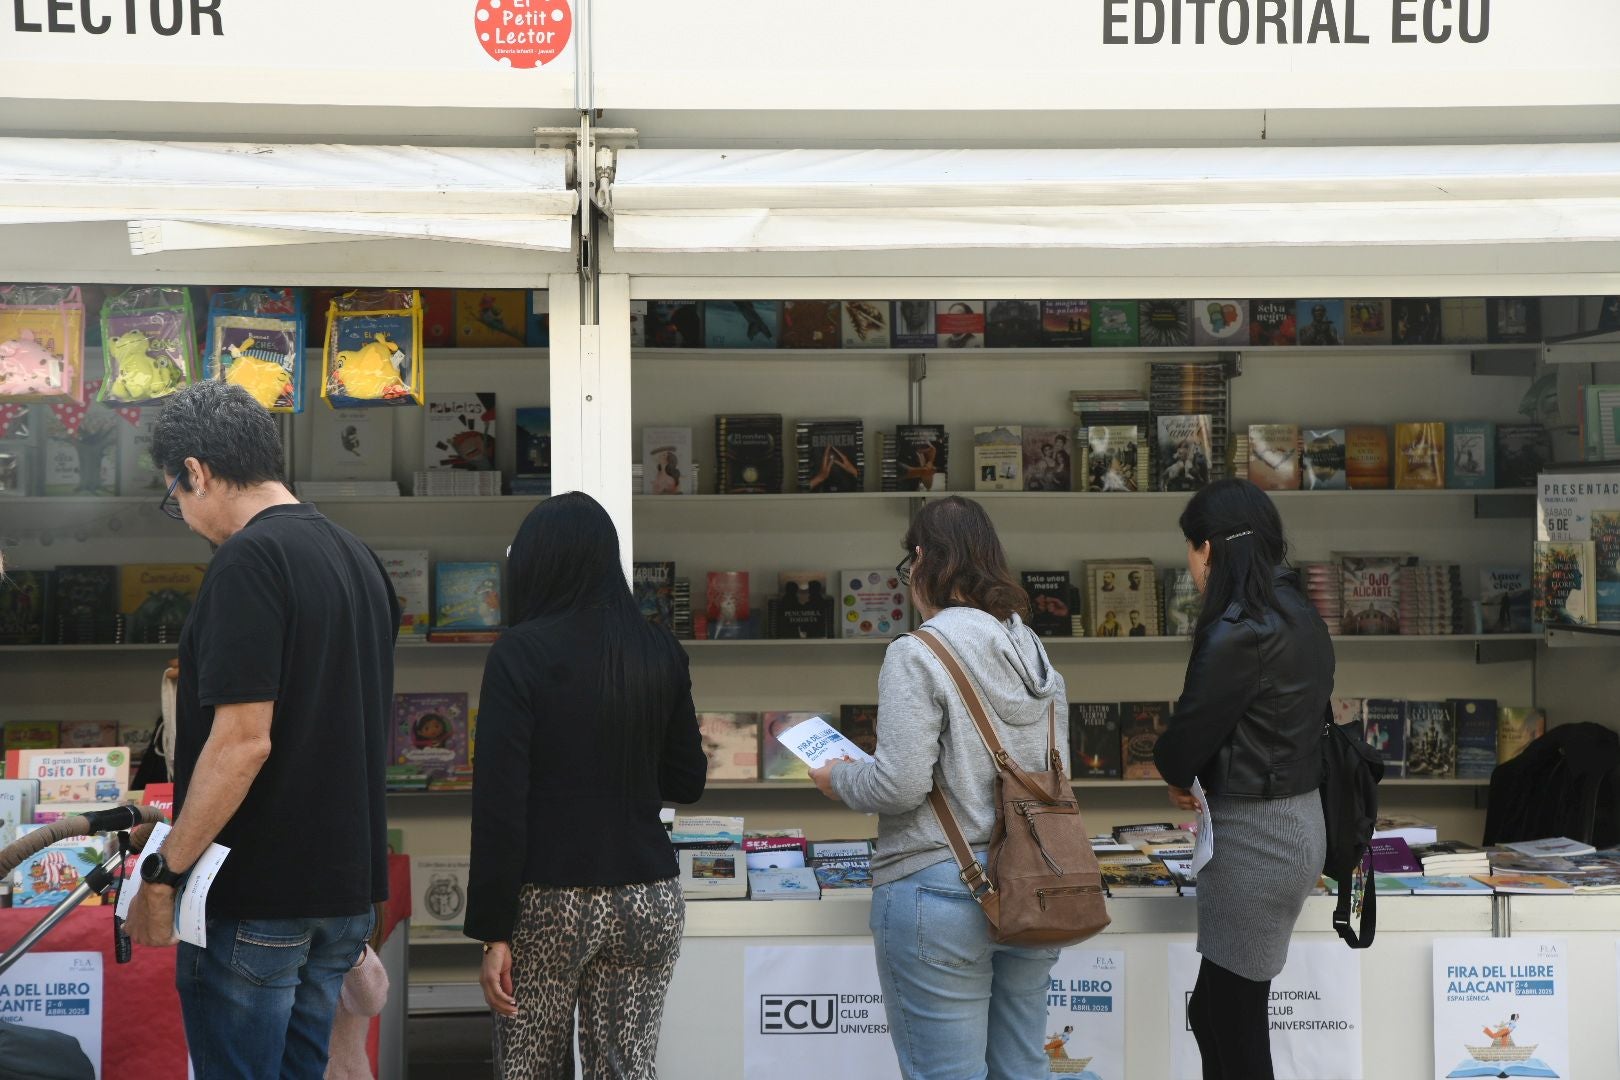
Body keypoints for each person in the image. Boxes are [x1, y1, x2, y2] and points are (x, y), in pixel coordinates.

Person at [126, 382, 398, 1080]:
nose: (183, 516)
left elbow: (245, 741)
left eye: (176, 497)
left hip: (257, 895)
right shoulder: (360, 560)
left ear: (198, 471)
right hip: (340, 893)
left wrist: (165, 870)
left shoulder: (248, 561)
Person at [808, 496, 1067, 1079]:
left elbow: (899, 785)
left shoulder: (917, 653)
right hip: (1034, 883)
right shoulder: (1038, 657)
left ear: (924, 560)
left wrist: (840, 778)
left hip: (939, 887)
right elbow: (1055, 782)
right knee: (1023, 1071)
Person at [466, 492, 706, 1079]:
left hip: (551, 900)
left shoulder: (518, 654)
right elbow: (687, 780)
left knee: (531, 1068)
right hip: (648, 894)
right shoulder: (658, 649)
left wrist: (493, 931)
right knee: (626, 1068)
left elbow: (500, 807)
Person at [1152, 479, 1334, 1080]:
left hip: (1254, 838)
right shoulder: (1300, 613)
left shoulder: (1237, 630)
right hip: (1295, 822)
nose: (1191, 565)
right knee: (1215, 1011)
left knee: (1232, 1018)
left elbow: (1187, 738)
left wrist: (1177, 772)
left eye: (1191, 549)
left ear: (1210, 549)